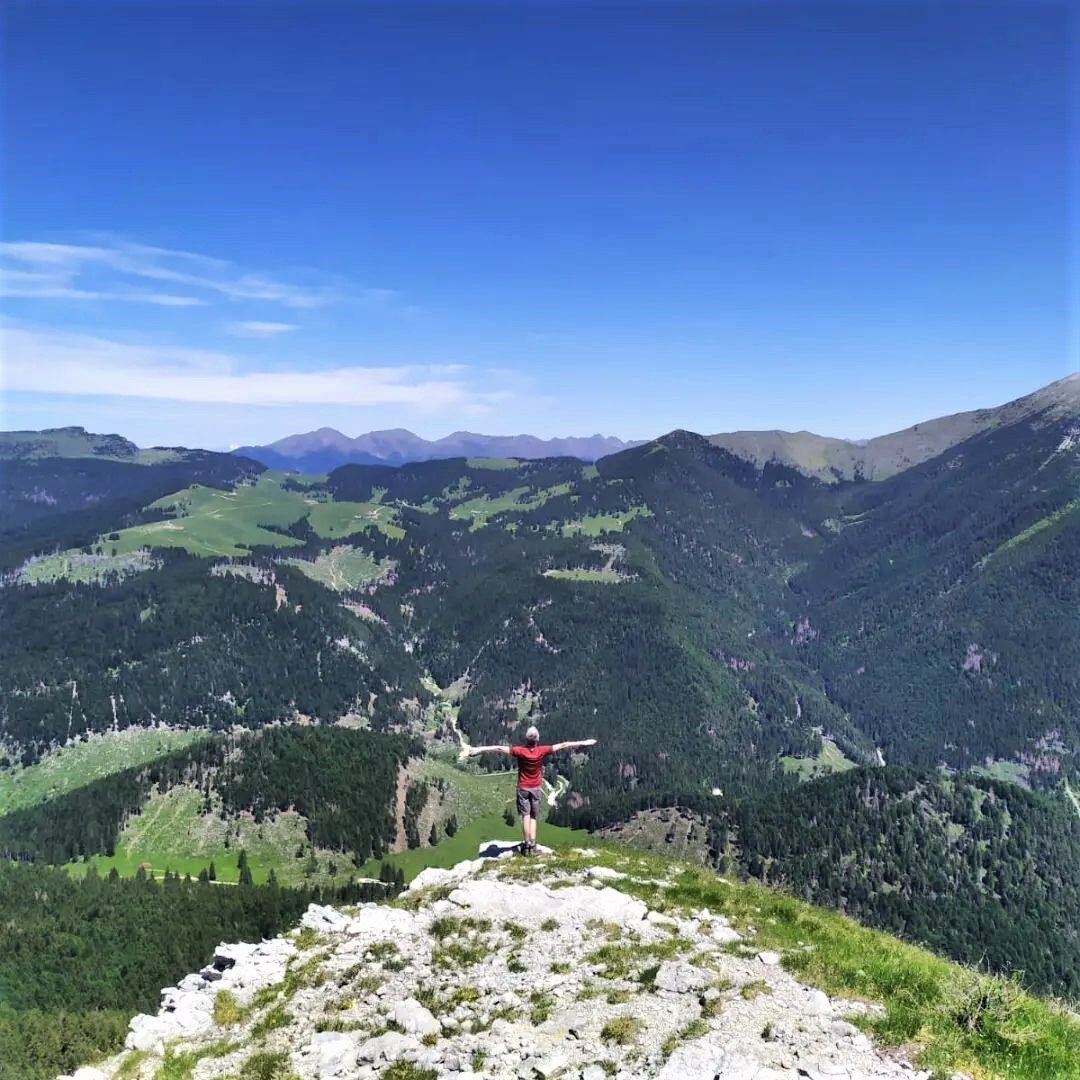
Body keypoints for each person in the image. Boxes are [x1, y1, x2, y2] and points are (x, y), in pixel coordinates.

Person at [460, 726, 597, 855]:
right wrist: (584, 742)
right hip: (536, 788)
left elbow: (499, 748)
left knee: (525, 816)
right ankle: (533, 844)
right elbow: (563, 745)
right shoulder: (542, 750)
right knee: (533, 816)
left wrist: (477, 749)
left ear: (526, 739)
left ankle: (526, 844)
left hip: (523, 787)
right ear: (537, 739)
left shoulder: (520, 751)